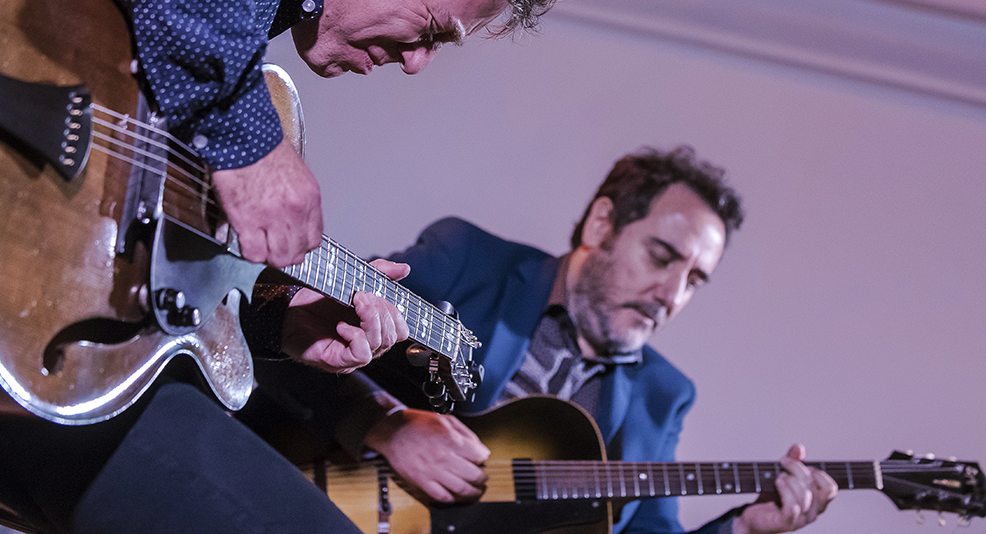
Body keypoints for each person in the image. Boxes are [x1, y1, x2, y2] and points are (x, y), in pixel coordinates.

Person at [0, 0, 560, 534]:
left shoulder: (240, 6)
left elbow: (142, 255)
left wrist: (280, 324)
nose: (416, 62)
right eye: (433, 30)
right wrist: (248, 140)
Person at [305, 147, 836, 534]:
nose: (671, 295)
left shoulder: (663, 394)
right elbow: (293, 330)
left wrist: (744, 528)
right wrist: (383, 427)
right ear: (602, 224)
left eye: (694, 281)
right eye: (662, 256)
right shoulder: (468, 258)